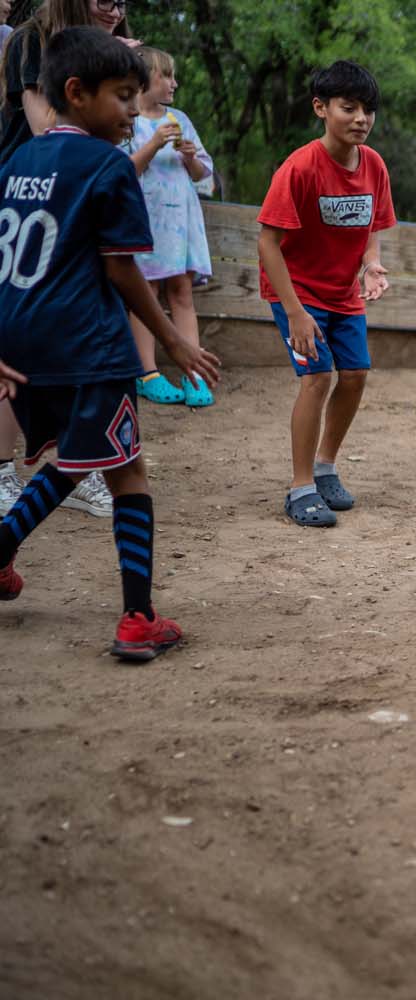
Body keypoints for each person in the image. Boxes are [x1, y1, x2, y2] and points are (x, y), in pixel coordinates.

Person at [0, 27, 220, 659]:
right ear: (76, 92)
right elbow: (123, 268)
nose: (132, 109)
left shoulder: (19, 160)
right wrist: (175, 341)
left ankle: (4, 546)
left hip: (25, 338)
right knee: (128, 471)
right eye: (122, 96)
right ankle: (137, 618)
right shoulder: (107, 166)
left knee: (80, 455)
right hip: (85, 343)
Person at [0, 0, 140, 517]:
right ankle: (2, 472)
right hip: (36, 198)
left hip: (75, 199)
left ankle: (76, 465)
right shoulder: (31, 40)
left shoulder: (103, 47)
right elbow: (46, 130)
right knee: (23, 347)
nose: (115, 8)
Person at [257, 60, 395, 528]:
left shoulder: (373, 165)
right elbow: (267, 243)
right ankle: (300, 488)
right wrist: (295, 313)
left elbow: (373, 227)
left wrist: (371, 264)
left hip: (342, 293)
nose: (361, 118)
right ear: (321, 108)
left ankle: (325, 468)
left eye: (368, 110)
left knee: (354, 375)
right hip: (296, 293)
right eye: (348, 108)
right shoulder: (299, 168)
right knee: (316, 379)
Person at [126, 45, 215, 407]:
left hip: (179, 221)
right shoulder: (128, 119)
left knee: (182, 292)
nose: (175, 83)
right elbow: (124, 171)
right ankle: (147, 373)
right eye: (167, 75)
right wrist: (153, 144)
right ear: (146, 79)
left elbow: (201, 172)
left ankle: (194, 373)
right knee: (145, 293)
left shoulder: (179, 118)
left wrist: (190, 157)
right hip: (145, 220)